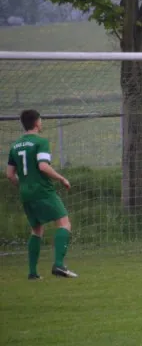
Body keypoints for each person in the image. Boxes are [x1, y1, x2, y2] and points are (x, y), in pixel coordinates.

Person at [5, 109, 77, 279]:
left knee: (36, 229)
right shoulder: (40, 142)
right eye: (41, 120)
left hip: (26, 194)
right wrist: (61, 178)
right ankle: (59, 265)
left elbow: (9, 175)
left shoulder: (15, 146)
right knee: (64, 223)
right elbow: (43, 166)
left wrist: (24, 185)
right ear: (37, 122)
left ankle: (33, 273)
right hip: (43, 191)